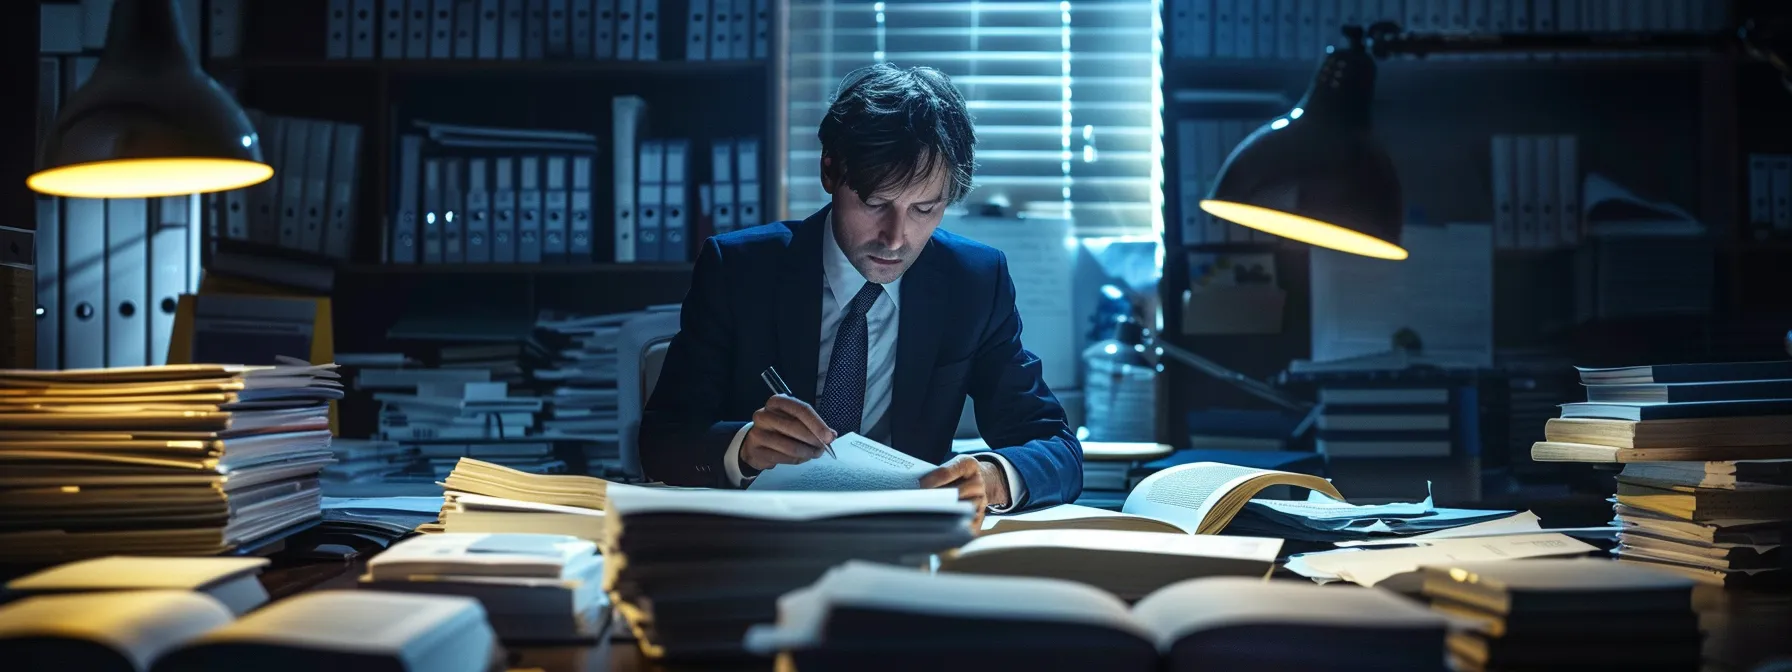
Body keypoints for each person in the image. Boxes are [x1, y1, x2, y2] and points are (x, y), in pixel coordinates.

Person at [638, 63, 1083, 516]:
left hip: (907, 542)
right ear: (830, 172)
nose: (896, 238)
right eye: (875, 203)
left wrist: (992, 477)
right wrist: (744, 448)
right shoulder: (738, 271)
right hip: (760, 536)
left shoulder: (973, 281)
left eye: (925, 209)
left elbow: (1055, 446)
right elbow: (662, 440)